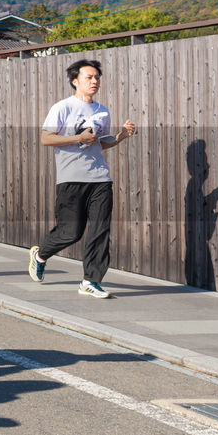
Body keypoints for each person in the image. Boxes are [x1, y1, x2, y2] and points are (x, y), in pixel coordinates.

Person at [27, 59, 136, 299]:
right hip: (70, 179)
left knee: (100, 229)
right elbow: (46, 138)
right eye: (89, 77)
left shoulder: (102, 110)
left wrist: (120, 136)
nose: (94, 81)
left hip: (100, 178)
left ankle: (90, 280)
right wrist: (78, 139)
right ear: (75, 81)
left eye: (97, 77)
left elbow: (101, 141)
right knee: (71, 232)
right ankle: (40, 255)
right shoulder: (62, 107)